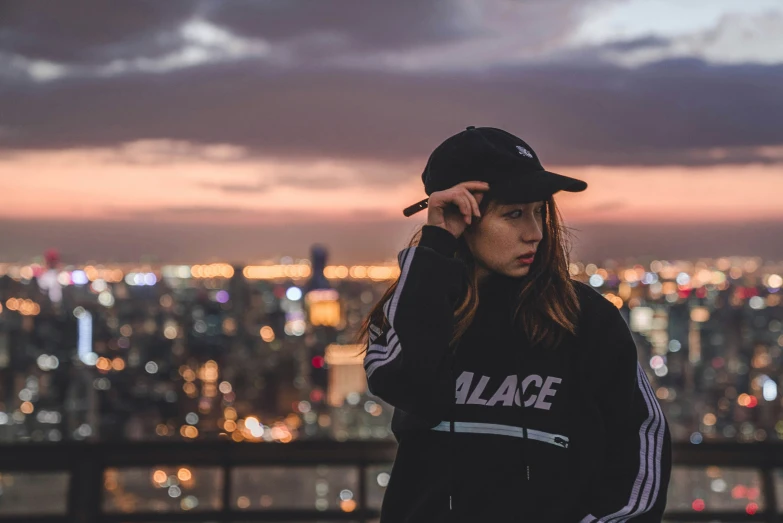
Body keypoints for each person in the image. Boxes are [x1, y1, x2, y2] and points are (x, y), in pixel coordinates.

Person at [359, 126, 671, 521]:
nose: (535, 233)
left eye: (540, 212)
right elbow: (404, 383)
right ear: (462, 215)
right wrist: (437, 243)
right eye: (514, 214)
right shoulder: (418, 306)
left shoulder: (586, 318)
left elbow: (641, 447)